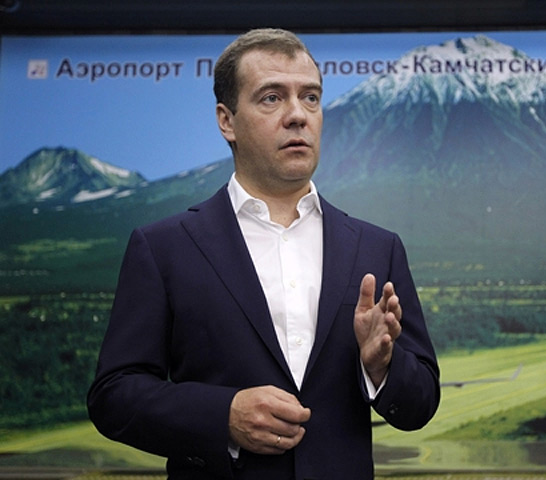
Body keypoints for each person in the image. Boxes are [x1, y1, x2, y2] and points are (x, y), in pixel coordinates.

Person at [87, 28, 440, 480]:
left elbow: (421, 403)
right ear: (227, 121)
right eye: (272, 98)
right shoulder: (164, 247)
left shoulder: (377, 247)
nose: (298, 116)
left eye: (310, 98)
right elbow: (114, 396)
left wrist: (382, 366)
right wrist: (224, 415)